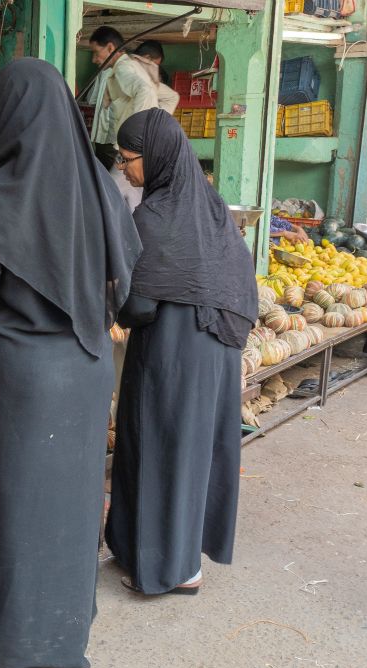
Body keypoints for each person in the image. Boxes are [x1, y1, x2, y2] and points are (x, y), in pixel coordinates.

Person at [0, 59, 142, 668]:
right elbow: (125, 283)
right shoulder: (101, 187)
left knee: (12, 503)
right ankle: (62, 633)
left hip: (19, 382)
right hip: (83, 369)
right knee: (70, 505)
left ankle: (10, 639)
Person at [105, 109, 258, 596]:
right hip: (215, 353)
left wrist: (114, 304)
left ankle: (172, 569)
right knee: (192, 452)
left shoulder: (155, 216)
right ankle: (157, 550)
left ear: (158, 157)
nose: (126, 169)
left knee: (162, 449)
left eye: (130, 159)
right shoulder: (210, 207)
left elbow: (139, 305)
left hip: (173, 353)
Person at [88, 26, 160, 171]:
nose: (94, 59)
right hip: (130, 145)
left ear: (110, 48)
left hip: (127, 146)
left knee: (115, 186)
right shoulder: (128, 67)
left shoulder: (123, 68)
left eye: (96, 53)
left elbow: (145, 91)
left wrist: (134, 133)